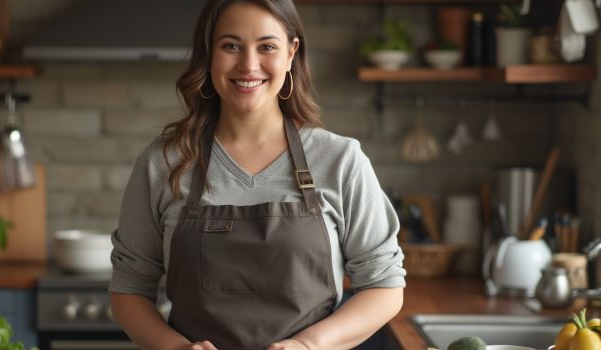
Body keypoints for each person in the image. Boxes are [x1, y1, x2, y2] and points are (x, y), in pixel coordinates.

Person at [108, 0, 405, 349]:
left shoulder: (340, 161)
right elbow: (128, 291)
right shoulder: (164, 162)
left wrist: (309, 345)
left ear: (291, 53)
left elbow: (385, 288)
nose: (249, 65)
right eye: (231, 46)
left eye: (267, 47)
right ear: (210, 53)